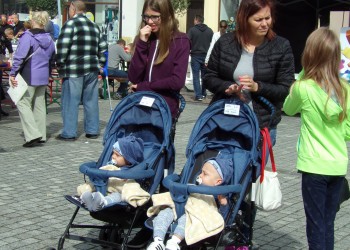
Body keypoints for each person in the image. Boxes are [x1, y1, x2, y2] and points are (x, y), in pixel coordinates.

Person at [283, 27, 350, 250]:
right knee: (328, 223)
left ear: (310, 54)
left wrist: (303, 73)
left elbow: (288, 108)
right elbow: (348, 131)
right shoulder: (345, 89)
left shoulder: (303, 88)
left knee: (315, 225)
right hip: (338, 165)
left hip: (314, 166)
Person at [203, 0, 294, 141]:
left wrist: (257, 87)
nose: (264, 24)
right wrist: (228, 86)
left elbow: (285, 88)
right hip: (225, 119)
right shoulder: (226, 42)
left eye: (267, 18)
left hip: (261, 124)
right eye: (258, 20)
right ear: (244, 19)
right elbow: (209, 77)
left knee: (254, 163)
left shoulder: (281, 46)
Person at [147, 156, 233, 250]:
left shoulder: (218, 195)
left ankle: (174, 241)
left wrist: (224, 204)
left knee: (186, 219)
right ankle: (158, 241)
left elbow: (218, 218)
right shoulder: (194, 186)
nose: (200, 175)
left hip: (194, 215)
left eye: (205, 174)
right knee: (165, 213)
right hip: (180, 208)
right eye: (201, 172)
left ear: (218, 182)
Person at [127, 0, 190, 122]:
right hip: (140, 107)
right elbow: (133, 77)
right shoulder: (144, 39)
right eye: (146, 16)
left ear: (167, 15)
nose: (150, 22)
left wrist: (144, 86)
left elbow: (177, 81)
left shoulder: (180, 40)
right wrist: (141, 44)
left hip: (163, 109)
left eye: (155, 17)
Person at [56, 0, 107, 141]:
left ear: (73, 7)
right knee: (91, 101)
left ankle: (69, 133)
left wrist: (59, 63)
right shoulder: (94, 26)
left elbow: (62, 47)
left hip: (73, 69)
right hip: (91, 68)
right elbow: (103, 47)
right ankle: (92, 130)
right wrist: (100, 64)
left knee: (70, 102)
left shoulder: (70, 24)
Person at [9, 11, 56, 147]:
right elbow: (52, 58)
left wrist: (13, 73)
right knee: (39, 105)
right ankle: (41, 134)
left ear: (33, 20)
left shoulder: (28, 37)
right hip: (43, 75)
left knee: (23, 103)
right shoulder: (49, 39)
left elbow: (19, 57)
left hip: (29, 74)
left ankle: (32, 134)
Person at [78, 135, 145, 211]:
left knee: (118, 195)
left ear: (129, 159)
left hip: (117, 192)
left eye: (117, 155)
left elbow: (132, 187)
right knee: (89, 187)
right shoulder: (110, 165)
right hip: (102, 188)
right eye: (113, 153)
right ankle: (88, 198)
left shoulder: (132, 172)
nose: (113, 156)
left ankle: (103, 202)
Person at [188, 15, 213, 101]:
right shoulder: (210, 31)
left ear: (196, 20)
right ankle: (203, 93)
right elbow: (212, 44)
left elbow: (188, 41)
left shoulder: (192, 30)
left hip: (195, 55)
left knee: (195, 76)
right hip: (206, 55)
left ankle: (198, 95)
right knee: (204, 76)